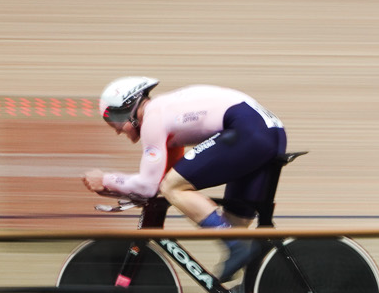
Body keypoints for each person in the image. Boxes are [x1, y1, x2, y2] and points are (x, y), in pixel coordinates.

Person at [81, 76, 286, 280]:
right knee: (236, 226)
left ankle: (235, 245)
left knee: (174, 188)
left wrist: (106, 179)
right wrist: (128, 190)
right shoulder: (166, 114)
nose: (116, 130)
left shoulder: (153, 117)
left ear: (130, 108)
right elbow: (159, 181)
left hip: (248, 131)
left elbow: (150, 185)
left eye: (113, 120)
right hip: (269, 131)